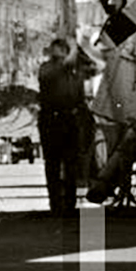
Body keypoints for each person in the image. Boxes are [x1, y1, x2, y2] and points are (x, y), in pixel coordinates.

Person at [37, 35, 96, 215]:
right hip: (51, 120)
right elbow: (57, 71)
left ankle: (69, 204)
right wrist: (73, 50)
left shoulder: (74, 70)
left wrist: (81, 50)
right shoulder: (47, 68)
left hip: (69, 120)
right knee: (53, 164)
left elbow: (93, 68)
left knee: (71, 163)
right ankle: (55, 203)